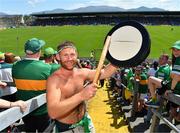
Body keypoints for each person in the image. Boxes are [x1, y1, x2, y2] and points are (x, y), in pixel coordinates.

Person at [46, 41, 118, 133]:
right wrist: (81, 95)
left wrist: (119, 57)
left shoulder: (81, 73)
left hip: (84, 122)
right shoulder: (54, 80)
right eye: (65, 55)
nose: (69, 58)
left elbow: (106, 72)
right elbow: (53, 112)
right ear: (58, 57)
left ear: (77, 55)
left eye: (72, 54)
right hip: (66, 129)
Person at [12, 38, 53, 132]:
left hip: (24, 110)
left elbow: (15, 83)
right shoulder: (47, 68)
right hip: (42, 110)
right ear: (39, 51)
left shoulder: (15, 66)